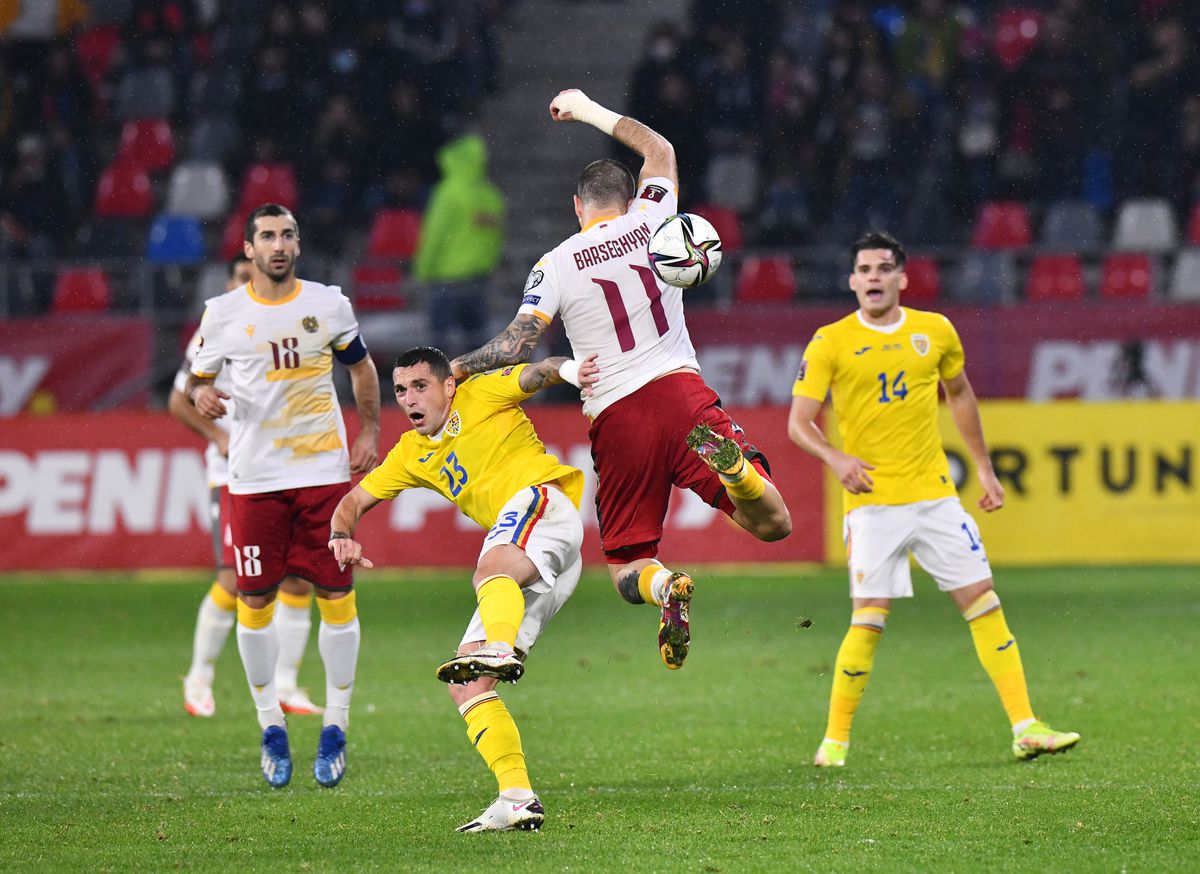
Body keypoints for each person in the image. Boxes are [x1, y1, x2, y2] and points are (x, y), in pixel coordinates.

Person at [451, 88, 791, 671]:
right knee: (774, 524)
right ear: (632, 196)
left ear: (577, 206)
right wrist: (586, 109)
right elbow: (658, 147)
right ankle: (735, 468)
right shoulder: (656, 219)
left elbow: (517, 344)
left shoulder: (555, 263)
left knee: (627, 566)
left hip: (616, 415)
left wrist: (458, 367)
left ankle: (666, 590)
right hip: (681, 392)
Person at [786, 230, 1080, 766]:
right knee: (868, 618)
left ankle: (1025, 725)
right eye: (864, 269)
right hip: (873, 504)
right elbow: (798, 423)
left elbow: (961, 394)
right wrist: (837, 458)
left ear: (903, 278)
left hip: (935, 497)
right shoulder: (830, 341)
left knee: (984, 602)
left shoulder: (935, 331)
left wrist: (985, 471)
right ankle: (834, 741)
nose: (873, 277)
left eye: (883, 268)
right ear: (852, 281)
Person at [328, 346, 598, 832]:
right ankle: (516, 797)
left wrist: (575, 371)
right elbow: (352, 501)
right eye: (401, 391)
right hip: (535, 555)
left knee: (488, 569)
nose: (410, 399)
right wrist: (341, 536)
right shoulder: (410, 454)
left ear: (447, 386)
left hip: (544, 505)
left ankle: (498, 646)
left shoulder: (480, 394)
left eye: (420, 386)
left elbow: (540, 370)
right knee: (465, 684)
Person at [185, 203, 381, 788]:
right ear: (249, 249)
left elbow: (362, 368)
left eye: (288, 234)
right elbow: (198, 380)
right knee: (255, 602)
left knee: (337, 596)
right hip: (253, 481)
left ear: (298, 244)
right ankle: (270, 725)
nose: (278, 244)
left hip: (322, 476)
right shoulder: (220, 314)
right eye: (267, 235)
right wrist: (202, 397)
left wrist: (369, 428)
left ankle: (336, 726)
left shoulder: (328, 304)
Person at [171, 253, 323, 719]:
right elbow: (180, 400)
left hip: (286, 470)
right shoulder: (215, 328)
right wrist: (220, 438)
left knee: (299, 577)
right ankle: (199, 676)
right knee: (235, 581)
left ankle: (287, 686)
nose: (247, 283)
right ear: (231, 280)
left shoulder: (286, 324)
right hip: (234, 476)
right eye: (240, 276)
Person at [412, 133, 505, 352]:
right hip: (477, 280)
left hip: (444, 279)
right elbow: (495, 238)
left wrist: (422, 270)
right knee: (476, 346)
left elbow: (434, 236)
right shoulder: (490, 195)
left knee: (437, 348)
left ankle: (439, 385)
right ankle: (476, 385)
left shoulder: (448, 193)